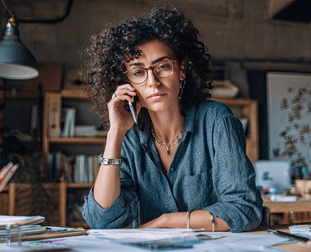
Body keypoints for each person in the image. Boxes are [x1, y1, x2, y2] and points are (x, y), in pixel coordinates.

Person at [82, 6, 262, 232]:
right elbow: (102, 221)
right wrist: (115, 133)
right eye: (139, 72)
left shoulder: (216, 121)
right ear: (126, 81)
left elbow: (244, 209)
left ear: (182, 70)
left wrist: (165, 221)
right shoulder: (129, 139)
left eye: (162, 67)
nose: (152, 82)